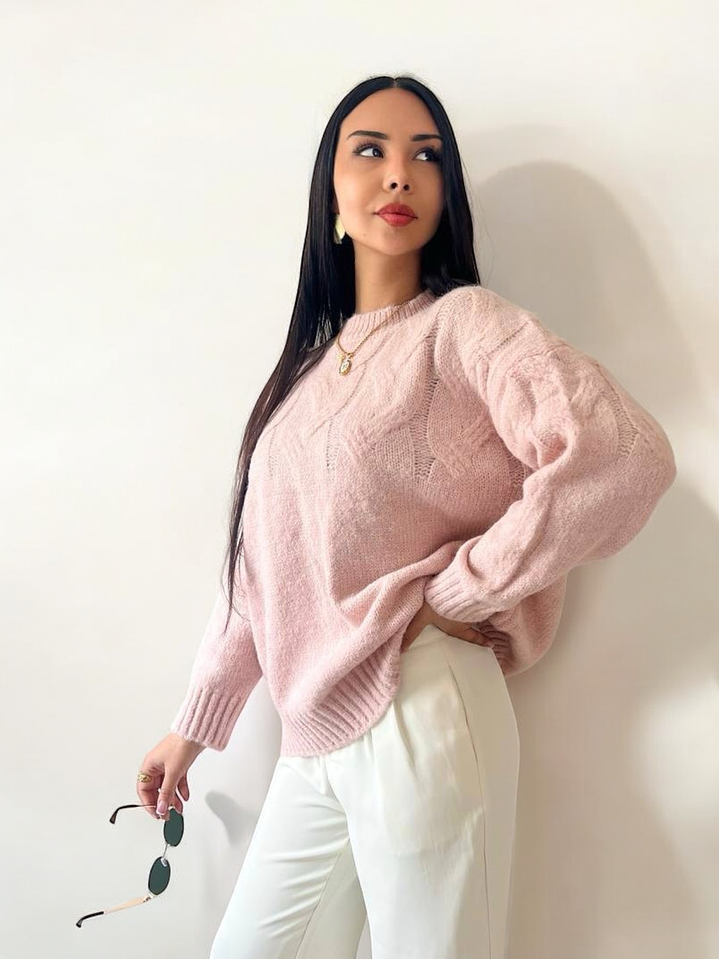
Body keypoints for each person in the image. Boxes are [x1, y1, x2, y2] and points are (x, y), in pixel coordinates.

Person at [135, 75, 677, 958]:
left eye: (425, 157)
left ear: (445, 192)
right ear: (330, 194)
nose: (399, 174)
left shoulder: (463, 326)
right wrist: (192, 727)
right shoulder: (299, 381)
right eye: (371, 151)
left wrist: (463, 589)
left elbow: (622, 455)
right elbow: (259, 573)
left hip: (422, 700)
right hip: (312, 733)